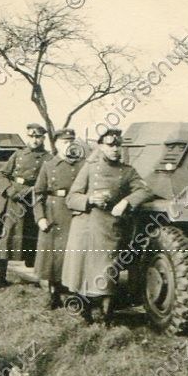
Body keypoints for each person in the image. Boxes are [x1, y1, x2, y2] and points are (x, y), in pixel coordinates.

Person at [62, 128, 153, 325]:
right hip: (85, 227)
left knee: (107, 272)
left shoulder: (128, 171)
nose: (115, 149)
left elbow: (145, 190)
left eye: (118, 145)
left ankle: (107, 318)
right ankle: (84, 314)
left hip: (109, 228)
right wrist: (89, 199)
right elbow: (71, 198)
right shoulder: (89, 168)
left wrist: (126, 202)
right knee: (82, 272)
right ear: (101, 146)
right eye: (110, 145)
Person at [0, 123, 51, 288]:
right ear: (27, 137)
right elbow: (1, 175)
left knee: (19, 240)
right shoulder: (18, 155)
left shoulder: (49, 159)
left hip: (31, 202)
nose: (34, 140)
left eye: (38, 137)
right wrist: (10, 190)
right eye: (31, 136)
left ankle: (40, 277)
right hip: (10, 200)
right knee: (1, 237)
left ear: (43, 138)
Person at [32, 129, 86, 309]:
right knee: (53, 258)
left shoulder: (83, 165)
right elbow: (38, 194)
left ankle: (73, 294)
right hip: (54, 212)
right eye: (64, 142)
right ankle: (53, 294)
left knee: (73, 255)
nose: (68, 144)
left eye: (71, 141)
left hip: (76, 214)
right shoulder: (48, 165)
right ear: (56, 144)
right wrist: (40, 217)